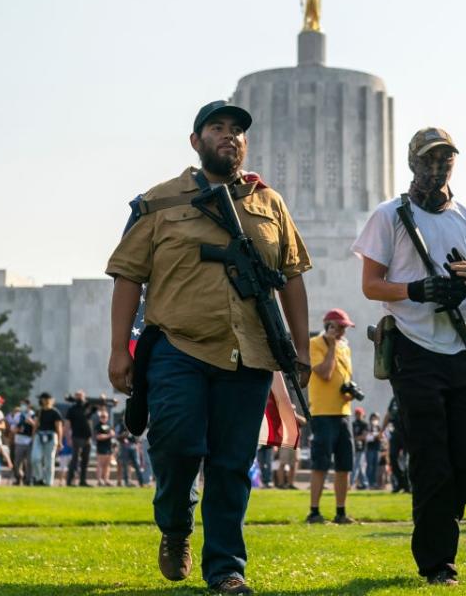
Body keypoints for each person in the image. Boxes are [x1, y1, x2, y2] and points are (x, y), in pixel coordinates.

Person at [106, 99, 312, 595]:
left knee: (232, 465)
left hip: (251, 353)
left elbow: (292, 280)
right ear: (196, 142)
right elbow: (128, 276)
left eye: (237, 130)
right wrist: (118, 349)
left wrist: (301, 351)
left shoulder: (269, 204)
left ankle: (225, 569)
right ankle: (176, 527)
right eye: (217, 128)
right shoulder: (158, 201)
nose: (229, 136)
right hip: (179, 346)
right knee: (176, 446)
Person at [352, 126, 466, 586]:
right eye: (430, 160)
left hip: (462, 348)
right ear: (414, 162)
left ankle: (437, 516)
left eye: (446, 160)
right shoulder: (389, 216)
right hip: (414, 349)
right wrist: (417, 289)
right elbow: (371, 285)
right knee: (431, 456)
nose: (438, 168)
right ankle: (439, 564)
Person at [306, 308, 357, 525]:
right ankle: (314, 512)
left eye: (345, 327)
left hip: (343, 412)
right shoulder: (315, 344)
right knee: (321, 464)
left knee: (344, 465)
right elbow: (325, 373)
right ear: (330, 326)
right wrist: (331, 346)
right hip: (323, 413)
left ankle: (341, 512)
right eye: (340, 327)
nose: (344, 331)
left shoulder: (345, 347)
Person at [30, 392, 63, 486]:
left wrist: (60, 441)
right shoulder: (39, 411)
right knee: (35, 458)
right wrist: (33, 436)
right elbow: (36, 425)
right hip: (39, 435)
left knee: (49, 461)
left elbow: (59, 428)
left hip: (51, 436)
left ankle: (48, 482)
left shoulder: (55, 412)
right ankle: (39, 478)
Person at [64, 391, 93, 487]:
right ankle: (70, 481)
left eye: (81, 396)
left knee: (85, 460)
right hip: (76, 437)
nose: (79, 398)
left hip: (87, 438)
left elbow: (100, 407)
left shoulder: (87, 407)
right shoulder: (71, 409)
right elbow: (67, 424)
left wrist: (103, 399)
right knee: (75, 460)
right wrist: (68, 438)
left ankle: (82, 481)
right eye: (77, 396)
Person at [382, 395, 409, 493]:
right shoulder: (394, 399)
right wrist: (382, 429)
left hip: (408, 432)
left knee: (408, 460)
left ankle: (407, 484)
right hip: (396, 432)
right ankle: (400, 481)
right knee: (392, 456)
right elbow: (388, 414)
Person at [10, 399, 35, 486]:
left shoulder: (33, 414)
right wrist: (15, 429)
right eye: (21, 405)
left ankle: (28, 480)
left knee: (29, 462)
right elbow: (12, 427)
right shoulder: (18, 415)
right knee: (17, 462)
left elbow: (37, 426)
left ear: (28, 405)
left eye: (24, 405)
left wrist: (32, 422)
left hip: (29, 441)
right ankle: (19, 477)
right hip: (19, 441)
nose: (22, 406)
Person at [93, 407, 114, 486]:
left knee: (107, 465)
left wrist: (110, 435)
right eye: (102, 416)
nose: (104, 418)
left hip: (109, 448)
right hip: (101, 448)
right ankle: (99, 480)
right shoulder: (98, 426)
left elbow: (113, 433)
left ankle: (106, 480)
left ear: (108, 417)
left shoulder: (109, 425)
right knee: (100, 465)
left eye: (105, 416)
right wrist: (109, 435)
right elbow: (98, 436)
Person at [351, 407, 369, 490]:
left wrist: (357, 438)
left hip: (362, 448)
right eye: (356, 414)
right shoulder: (354, 423)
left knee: (356, 465)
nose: (358, 415)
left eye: (359, 414)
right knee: (361, 466)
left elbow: (364, 436)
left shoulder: (365, 424)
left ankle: (351, 482)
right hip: (355, 447)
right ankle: (365, 483)